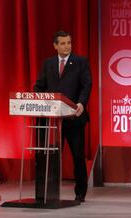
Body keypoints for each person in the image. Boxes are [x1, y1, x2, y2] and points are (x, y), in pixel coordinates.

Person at [34, 31, 92, 202]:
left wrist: (81, 103)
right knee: (50, 157)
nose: (67, 46)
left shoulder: (80, 62)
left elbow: (87, 85)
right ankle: (46, 192)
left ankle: (80, 192)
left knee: (78, 156)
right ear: (55, 45)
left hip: (74, 118)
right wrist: (38, 100)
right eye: (63, 43)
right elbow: (39, 86)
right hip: (52, 120)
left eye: (69, 43)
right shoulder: (48, 63)